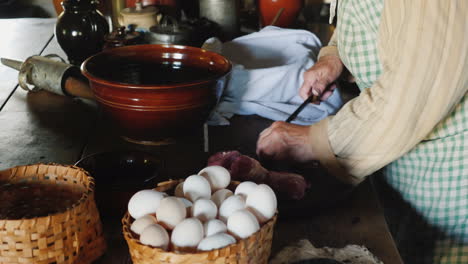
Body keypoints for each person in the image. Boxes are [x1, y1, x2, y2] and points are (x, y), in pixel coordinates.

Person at [256, 1, 467, 263]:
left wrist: (313, 141)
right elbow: (376, 18)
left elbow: (413, 93)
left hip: (447, 186)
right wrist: (335, 56)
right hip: (398, 167)